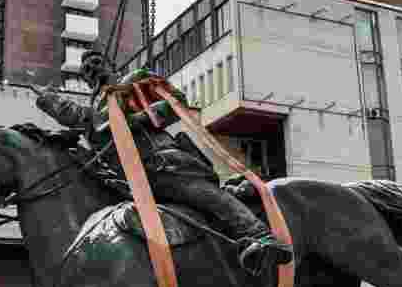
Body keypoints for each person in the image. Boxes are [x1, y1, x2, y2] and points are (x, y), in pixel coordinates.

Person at [34, 50, 292, 275]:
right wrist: (48, 99)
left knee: (204, 196)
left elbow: (175, 99)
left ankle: (261, 235)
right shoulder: (95, 109)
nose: (92, 68)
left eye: (96, 62)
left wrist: (140, 119)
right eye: (86, 69)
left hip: (162, 163)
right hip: (129, 179)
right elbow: (78, 117)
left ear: (110, 64)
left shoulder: (133, 80)